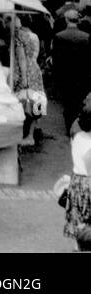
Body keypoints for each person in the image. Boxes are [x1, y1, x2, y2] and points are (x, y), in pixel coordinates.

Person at [8, 15, 46, 147]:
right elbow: (35, 54)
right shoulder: (33, 36)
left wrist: (23, 77)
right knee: (36, 101)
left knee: (21, 101)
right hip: (35, 69)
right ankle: (31, 134)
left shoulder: (18, 36)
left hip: (24, 71)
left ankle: (24, 135)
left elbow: (21, 58)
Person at [53, 18, 91, 135]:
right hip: (82, 74)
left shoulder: (59, 36)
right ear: (77, 20)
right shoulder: (86, 36)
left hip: (66, 74)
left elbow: (56, 58)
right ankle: (78, 123)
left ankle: (69, 125)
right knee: (80, 100)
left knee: (68, 102)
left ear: (66, 20)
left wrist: (56, 75)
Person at [64, 107, 91, 251]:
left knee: (77, 217)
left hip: (76, 182)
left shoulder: (77, 136)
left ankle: (77, 247)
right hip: (88, 183)